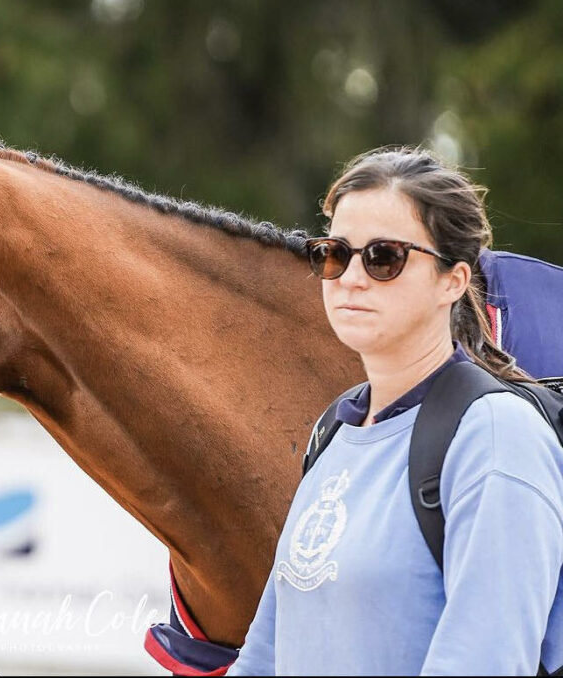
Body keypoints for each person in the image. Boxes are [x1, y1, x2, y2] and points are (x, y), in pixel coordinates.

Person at [227, 147, 563, 675]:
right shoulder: (333, 430)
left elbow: (483, 662)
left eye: (383, 257)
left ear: (453, 280)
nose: (351, 277)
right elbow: (266, 653)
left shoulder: (496, 436)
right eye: (334, 254)